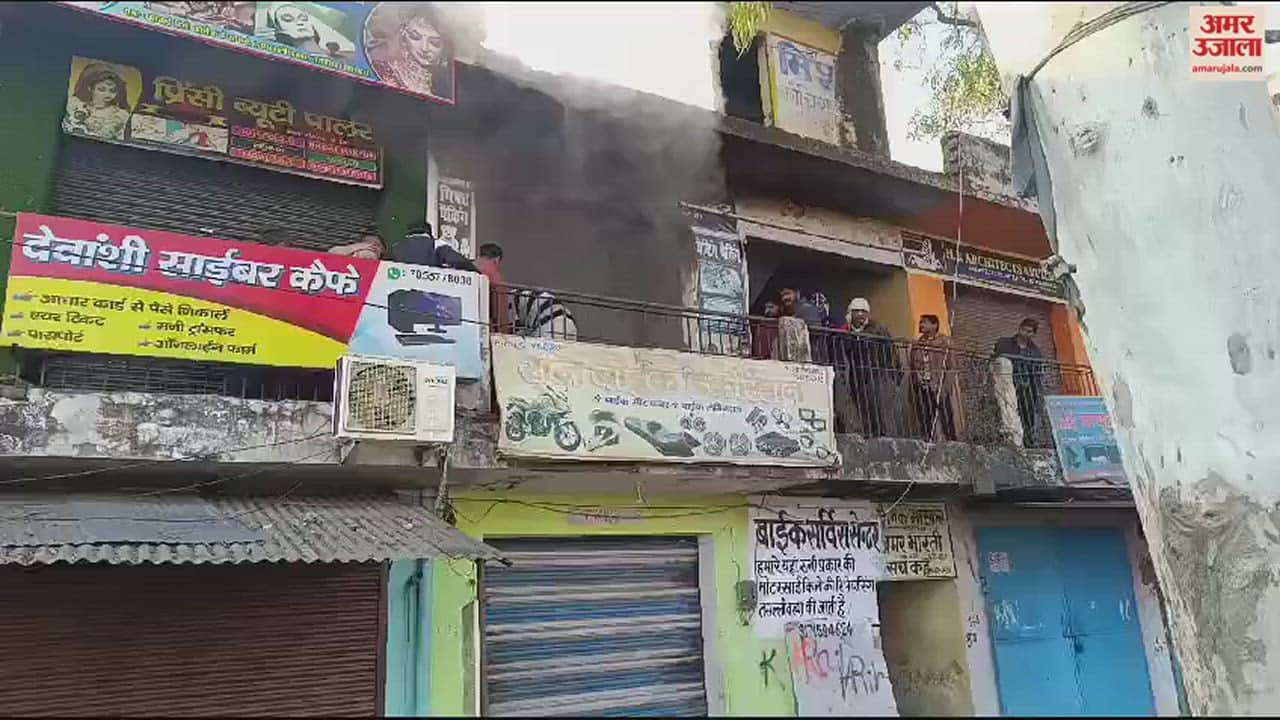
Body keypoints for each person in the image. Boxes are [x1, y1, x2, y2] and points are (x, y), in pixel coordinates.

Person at [835, 298, 901, 437]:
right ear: (850, 313)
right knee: (863, 409)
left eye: (863, 311)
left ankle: (885, 438)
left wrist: (894, 376)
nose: (860, 314)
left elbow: (892, 353)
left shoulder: (878, 330)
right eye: (856, 311)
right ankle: (870, 438)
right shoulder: (847, 332)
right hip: (858, 377)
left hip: (878, 375)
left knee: (880, 410)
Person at [367, 6, 453, 99]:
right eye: (415, 37)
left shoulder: (448, 86)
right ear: (404, 38)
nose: (424, 48)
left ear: (445, 48)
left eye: (434, 43)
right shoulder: (384, 71)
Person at [993, 317, 1047, 447]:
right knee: (1005, 413)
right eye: (1023, 329)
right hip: (1007, 385)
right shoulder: (1004, 343)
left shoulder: (1035, 351)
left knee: (1026, 417)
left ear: (1033, 334)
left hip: (1027, 390)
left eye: (1029, 331)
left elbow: (1037, 373)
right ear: (1019, 328)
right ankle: (1005, 442)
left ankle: (1027, 443)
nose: (1025, 333)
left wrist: (1037, 393)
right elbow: (995, 361)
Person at [909, 314, 957, 441]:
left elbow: (951, 366)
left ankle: (951, 440)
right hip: (923, 384)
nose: (921, 325)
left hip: (938, 383)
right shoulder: (918, 344)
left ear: (934, 325)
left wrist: (946, 387)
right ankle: (929, 440)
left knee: (945, 414)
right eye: (920, 322)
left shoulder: (944, 342)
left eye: (924, 322)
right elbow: (913, 365)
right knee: (926, 414)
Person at [63, 66, 132, 140]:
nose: (107, 94)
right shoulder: (76, 104)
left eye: (112, 91)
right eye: (101, 90)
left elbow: (106, 135)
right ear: (91, 88)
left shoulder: (120, 115)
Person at [264, 3, 353, 59]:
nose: (299, 22)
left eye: (303, 18)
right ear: (279, 29)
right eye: (288, 19)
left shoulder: (345, 57)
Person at [392, 222, 477, 271]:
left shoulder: (396, 247)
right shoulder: (437, 244)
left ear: (408, 234)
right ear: (429, 233)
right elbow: (460, 262)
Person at [475, 242, 514, 333]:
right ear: (497, 260)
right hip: (488, 328)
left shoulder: (468, 268)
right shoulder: (496, 277)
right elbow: (502, 316)